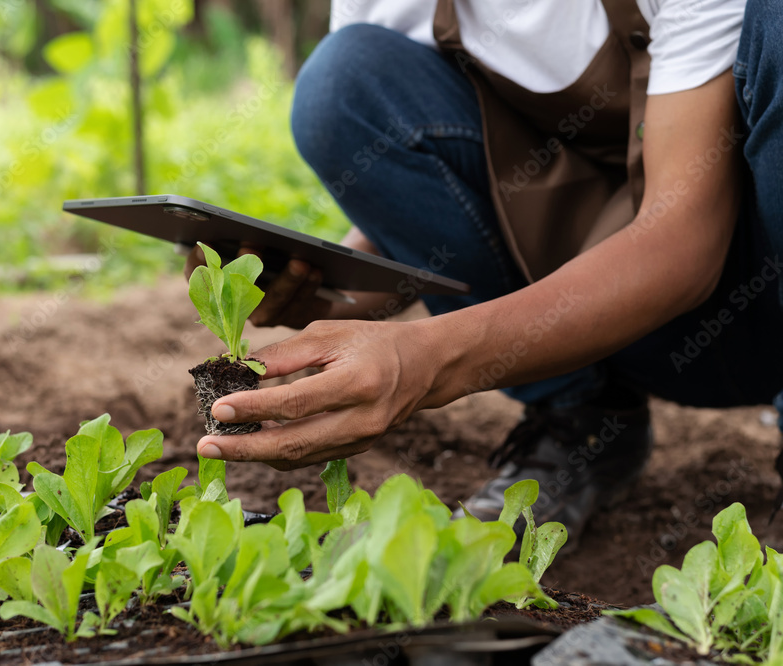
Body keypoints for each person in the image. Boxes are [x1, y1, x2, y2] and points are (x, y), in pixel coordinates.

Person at [185, 0, 783, 547]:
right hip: (581, 329)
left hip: (751, 306)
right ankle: (582, 419)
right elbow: (424, 219)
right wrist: (326, 294)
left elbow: (683, 247)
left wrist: (429, 360)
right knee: (344, 81)